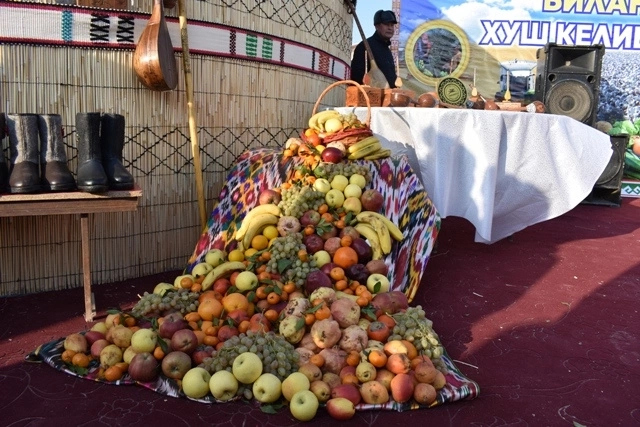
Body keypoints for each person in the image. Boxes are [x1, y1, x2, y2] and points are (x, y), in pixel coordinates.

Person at [350, 10, 398, 88]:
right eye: (386, 24)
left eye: (392, 25)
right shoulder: (364, 46)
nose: (390, 28)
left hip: (388, 97)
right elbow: (356, 77)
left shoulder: (388, 51)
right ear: (377, 26)